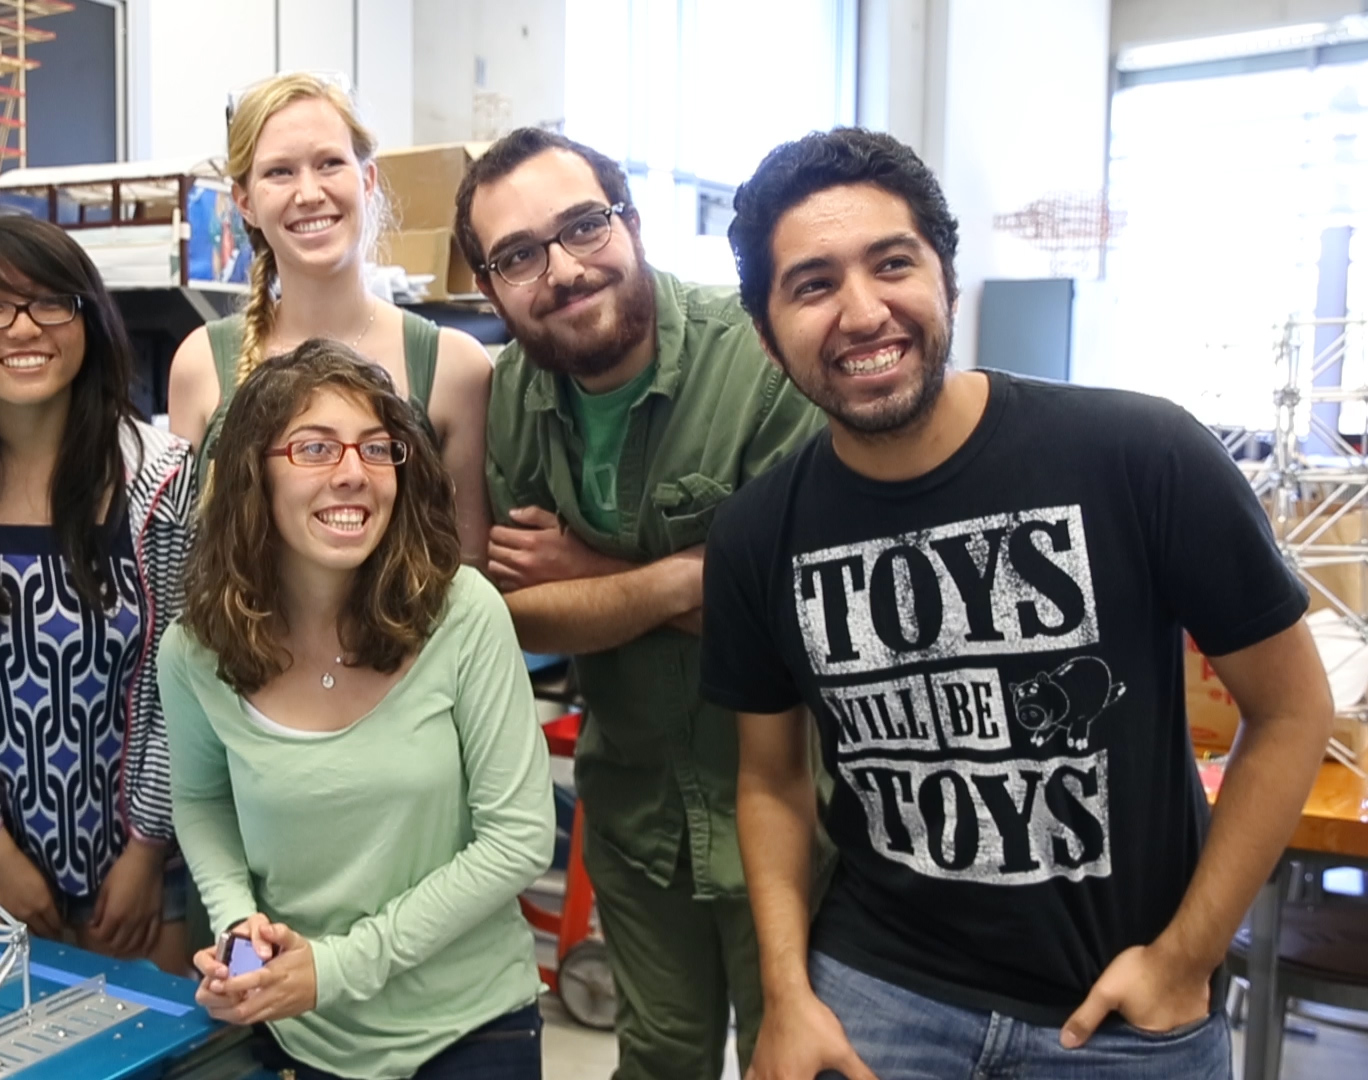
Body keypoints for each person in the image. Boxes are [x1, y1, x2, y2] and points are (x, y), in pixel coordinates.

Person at [702, 127, 1335, 1080]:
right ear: (766, 331)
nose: (864, 311)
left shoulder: (1141, 455)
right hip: (877, 998)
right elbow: (772, 782)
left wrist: (1187, 958)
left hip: (1118, 1018)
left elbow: (1291, 710)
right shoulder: (757, 533)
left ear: (947, 279)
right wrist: (789, 995)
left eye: (893, 264)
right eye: (813, 283)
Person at [455, 127, 828, 1078]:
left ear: (631, 220)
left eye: (583, 226)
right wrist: (688, 576)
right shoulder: (506, 398)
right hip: (636, 812)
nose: (565, 270)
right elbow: (507, 615)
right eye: (518, 255)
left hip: (798, 808)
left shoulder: (760, 360)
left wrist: (587, 566)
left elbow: (794, 609)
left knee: (804, 1060)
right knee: (660, 1059)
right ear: (488, 287)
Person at [158, 340, 554, 1080]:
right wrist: (243, 935)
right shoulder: (195, 652)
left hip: (467, 1028)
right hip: (302, 1033)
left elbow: (520, 839)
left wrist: (336, 967)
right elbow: (203, 802)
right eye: (314, 448)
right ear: (254, 474)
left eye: (378, 449)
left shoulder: (462, 614)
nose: (353, 473)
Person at [0, 215, 196, 973]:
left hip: (148, 879)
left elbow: (187, 683)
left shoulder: (164, 479)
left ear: (88, 318)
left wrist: (146, 852)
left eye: (52, 302)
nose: (24, 327)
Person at [168, 71, 493, 565]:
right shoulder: (201, 364)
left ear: (367, 180)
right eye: (279, 172)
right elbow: (187, 566)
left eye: (329, 164)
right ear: (245, 203)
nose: (309, 192)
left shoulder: (454, 367)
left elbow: (470, 574)